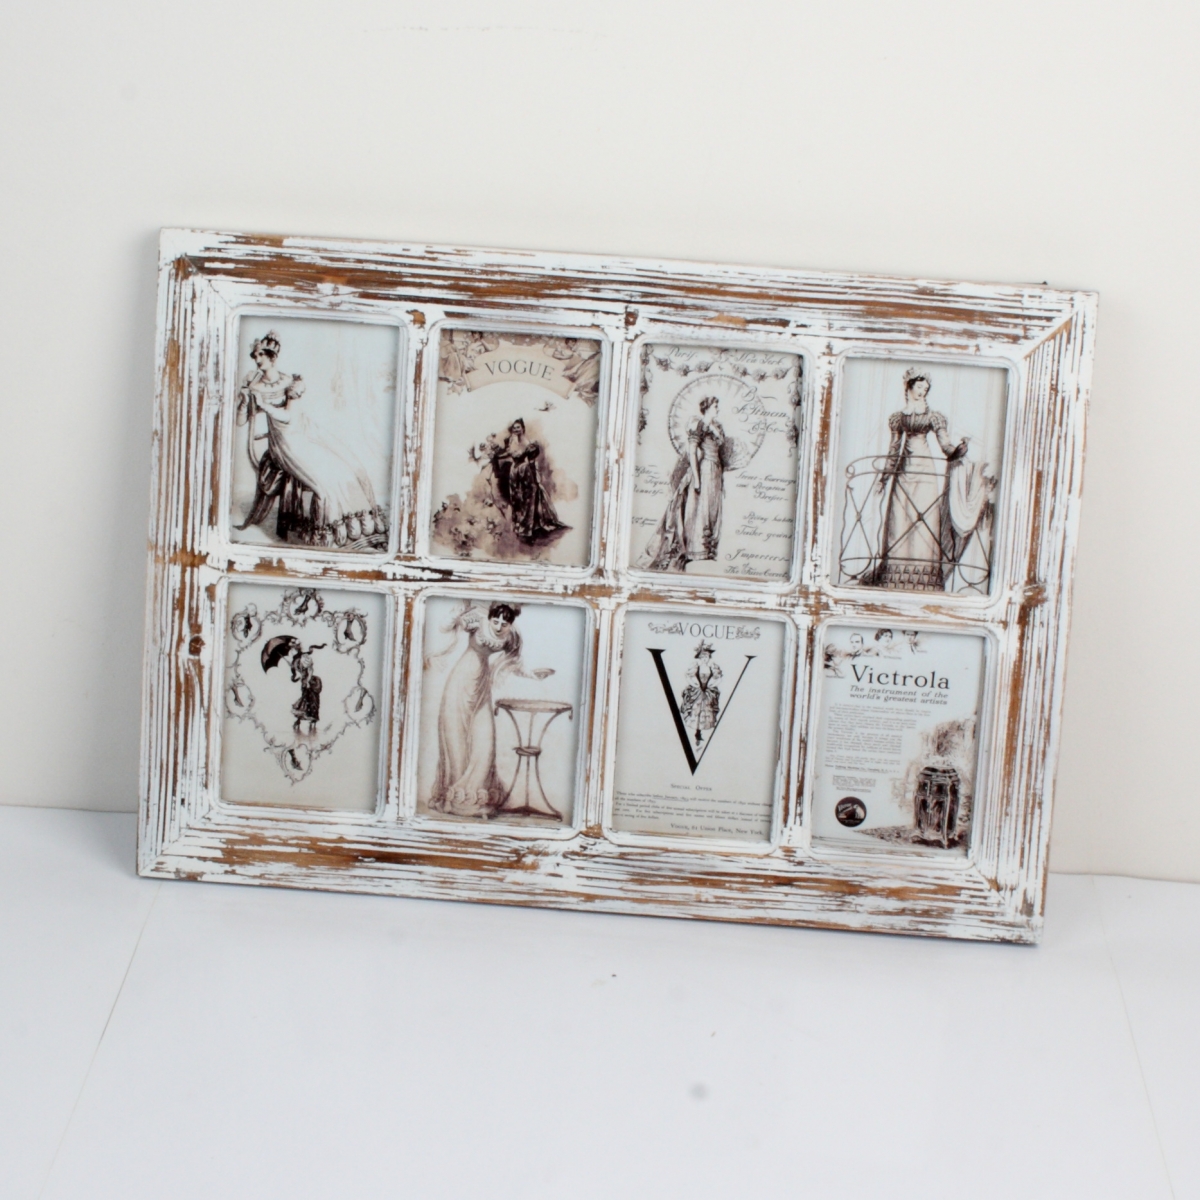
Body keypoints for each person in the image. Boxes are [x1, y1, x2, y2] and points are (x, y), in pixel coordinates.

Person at [236, 331, 387, 548]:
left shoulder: (290, 381)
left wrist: (264, 405)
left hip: (303, 433)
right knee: (324, 484)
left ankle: (357, 530)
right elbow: (240, 421)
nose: (256, 359)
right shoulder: (253, 386)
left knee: (348, 467)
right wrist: (244, 401)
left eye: (261, 355)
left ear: (272, 357)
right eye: (255, 355)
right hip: (284, 443)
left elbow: (288, 416)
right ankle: (330, 536)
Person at [427, 602, 553, 817]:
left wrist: (533, 675)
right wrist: (454, 616)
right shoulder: (477, 620)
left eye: (504, 623)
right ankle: (456, 801)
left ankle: (473, 797)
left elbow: (515, 664)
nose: (499, 626)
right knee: (456, 740)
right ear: (490, 618)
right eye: (495, 621)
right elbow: (445, 628)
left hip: (482, 687)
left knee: (484, 742)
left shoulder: (511, 636)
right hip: (461, 682)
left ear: (511, 623)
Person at [642, 395, 729, 571]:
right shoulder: (697, 424)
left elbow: (721, 451)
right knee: (698, 510)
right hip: (704, 470)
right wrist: (696, 478)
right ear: (707, 408)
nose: (718, 409)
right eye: (715, 406)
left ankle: (708, 549)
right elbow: (692, 453)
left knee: (712, 509)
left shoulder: (718, 427)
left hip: (715, 471)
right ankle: (693, 549)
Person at [486, 419, 568, 543]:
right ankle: (518, 525)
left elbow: (531, 459)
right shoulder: (511, 441)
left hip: (525, 471)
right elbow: (507, 454)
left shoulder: (529, 442)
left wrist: (534, 473)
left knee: (527, 499)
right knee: (516, 498)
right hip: (514, 472)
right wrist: (495, 455)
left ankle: (527, 527)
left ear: (523, 428)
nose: (516, 429)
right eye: (514, 428)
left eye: (518, 427)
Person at [679, 641, 722, 746]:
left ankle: (700, 733)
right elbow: (690, 676)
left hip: (708, 692)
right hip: (698, 691)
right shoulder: (696, 666)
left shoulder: (713, 667)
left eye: (706, 656)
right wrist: (696, 684)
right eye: (703, 656)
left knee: (707, 710)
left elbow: (717, 676)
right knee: (696, 711)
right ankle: (697, 733)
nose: (704, 658)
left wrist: (712, 684)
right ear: (699, 657)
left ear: (709, 657)